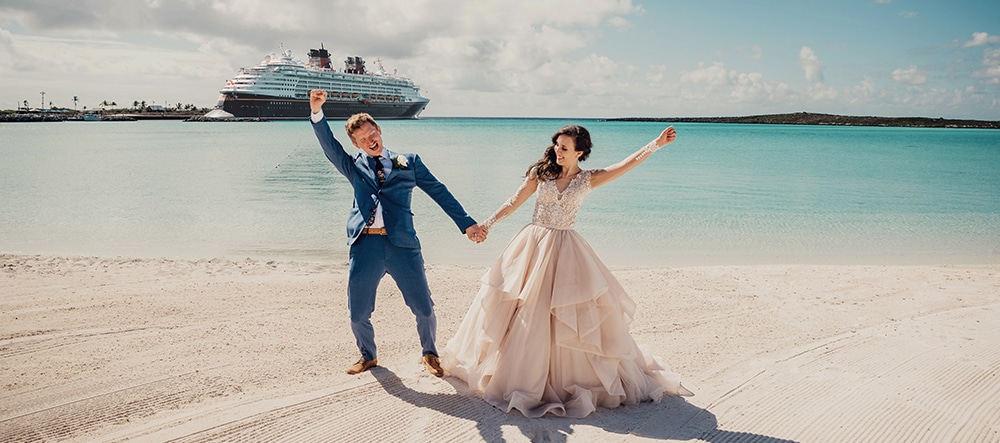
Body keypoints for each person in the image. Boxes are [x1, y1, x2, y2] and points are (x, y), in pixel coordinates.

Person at [441, 124, 693, 418]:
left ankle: (559, 378)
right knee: (523, 310)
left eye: (564, 148)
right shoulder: (541, 174)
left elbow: (626, 165)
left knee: (563, 313)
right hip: (532, 246)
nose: (557, 151)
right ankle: (515, 372)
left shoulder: (589, 179)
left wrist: (656, 144)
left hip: (566, 249)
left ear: (580, 152)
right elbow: (514, 202)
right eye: (557, 146)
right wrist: (486, 225)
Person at [308, 89, 486, 377]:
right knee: (358, 313)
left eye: (371, 133)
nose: (370, 141)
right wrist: (317, 112)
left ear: (378, 129)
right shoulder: (352, 166)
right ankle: (368, 356)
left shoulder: (409, 162)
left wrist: (466, 224)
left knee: (425, 308)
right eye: (362, 140)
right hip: (365, 245)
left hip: (403, 246)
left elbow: (440, 192)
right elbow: (330, 146)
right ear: (356, 144)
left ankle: (430, 352)